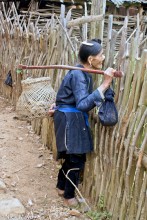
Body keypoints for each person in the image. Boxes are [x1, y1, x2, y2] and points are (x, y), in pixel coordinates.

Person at [48, 39, 115, 207]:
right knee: (76, 159)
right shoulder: (78, 74)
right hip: (70, 118)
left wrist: (58, 104)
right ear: (91, 59)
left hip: (69, 117)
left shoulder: (80, 72)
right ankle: (69, 197)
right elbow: (83, 104)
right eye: (101, 55)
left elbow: (68, 96)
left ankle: (61, 187)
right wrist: (106, 84)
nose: (104, 57)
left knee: (72, 157)